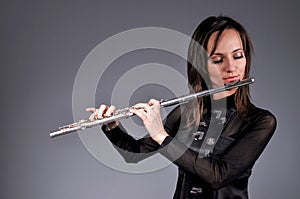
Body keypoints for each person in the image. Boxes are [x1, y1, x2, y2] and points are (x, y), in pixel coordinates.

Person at [86, 16, 276, 199]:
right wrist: (112, 126)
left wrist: (161, 135)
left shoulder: (261, 121)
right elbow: (133, 154)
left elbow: (218, 176)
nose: (232, 68)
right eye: (218, 60)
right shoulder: (188, 112)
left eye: (237, 56)